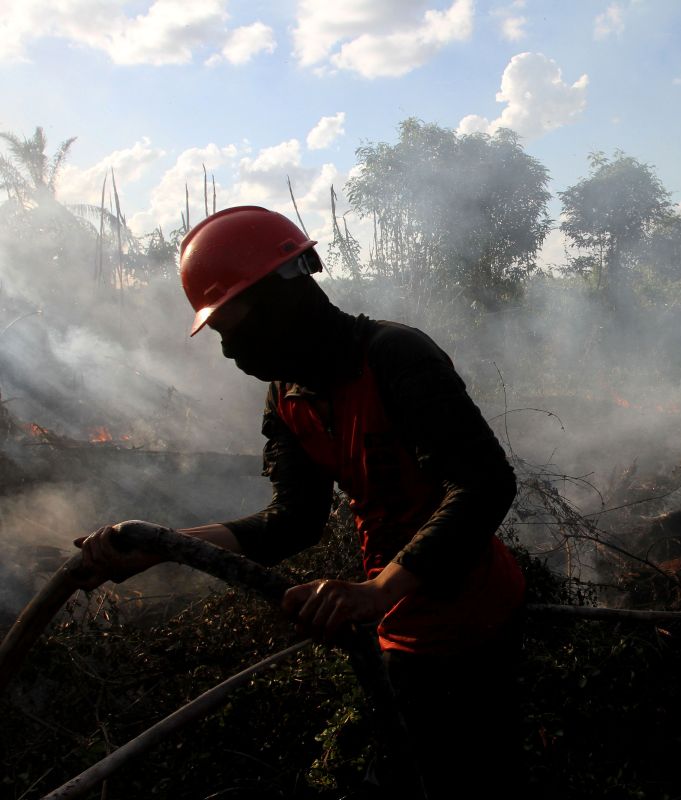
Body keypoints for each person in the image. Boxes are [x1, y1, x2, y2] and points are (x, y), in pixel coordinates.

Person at [74, 205, 527, 797]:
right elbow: (294, 521)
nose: (232, 351)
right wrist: (164, 548)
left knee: (460, 774)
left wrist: (378, 590)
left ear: (283, 296)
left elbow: (484, 484)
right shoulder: (286, 398)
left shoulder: (395, 355)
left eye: (234, 327)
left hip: (475, 614)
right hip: (395, 620)